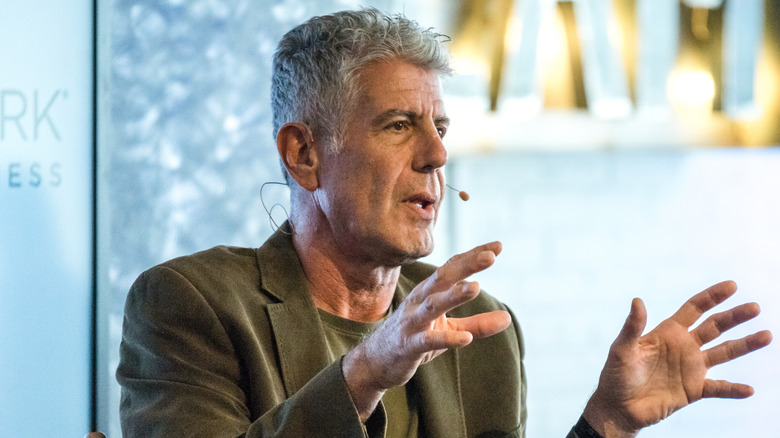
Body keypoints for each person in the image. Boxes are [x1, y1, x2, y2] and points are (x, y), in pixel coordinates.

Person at [117, 8, 772, 438]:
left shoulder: (481, 326)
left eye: (441, 127)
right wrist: (363, 374)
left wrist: (604, 423)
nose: (436, 155)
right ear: (304, 154)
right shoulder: (189, 303)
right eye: (399, 126)